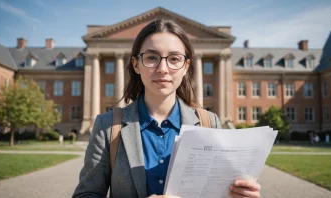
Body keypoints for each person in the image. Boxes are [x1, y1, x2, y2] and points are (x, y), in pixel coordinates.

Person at [73, 19, 261, 198]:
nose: (163, 68)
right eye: (152, 57)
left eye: (174, 59)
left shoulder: (209, 124)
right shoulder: (107, 127)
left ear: (186, 66)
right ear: (136, 64)